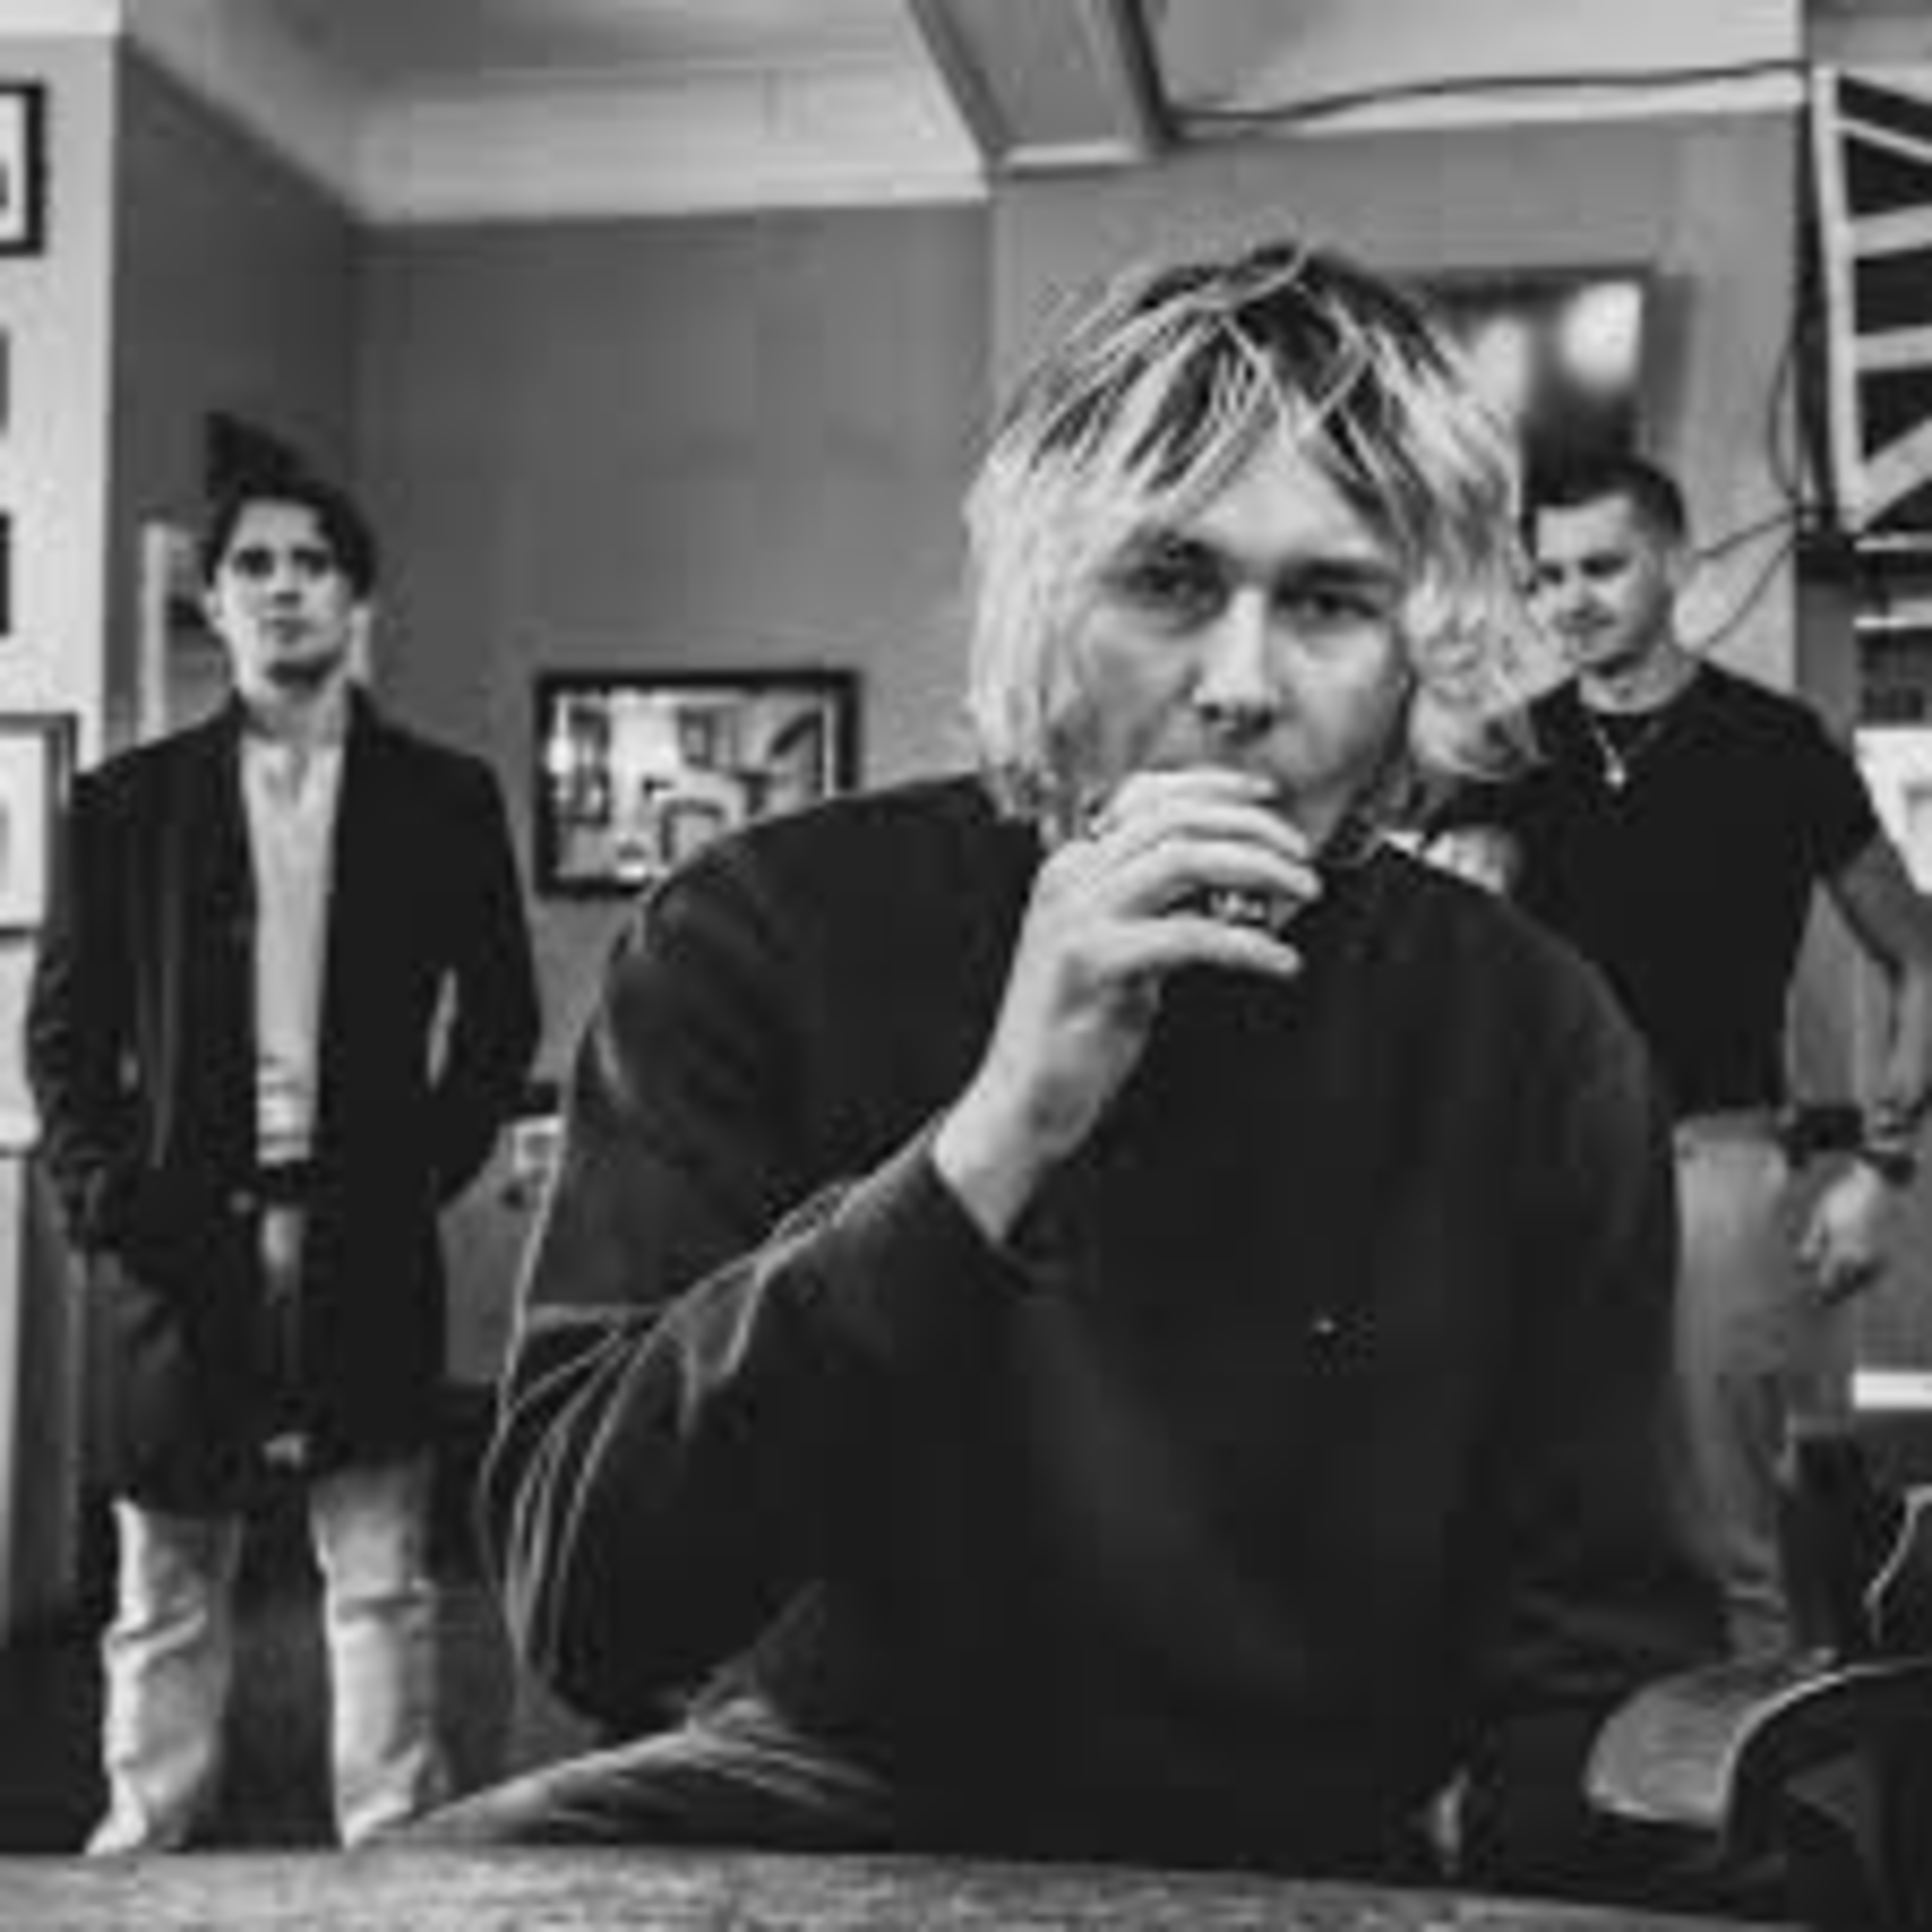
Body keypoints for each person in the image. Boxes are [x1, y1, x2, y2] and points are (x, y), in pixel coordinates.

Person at [418, 239, 1721, 1900]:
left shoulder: (1536, 1035)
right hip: (832, 1781)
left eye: (1330, 603)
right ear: (1050, 605)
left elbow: (1593, 1649)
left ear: (1420, 650)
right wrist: (1000, 1132)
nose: (1239, 687)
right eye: (1169, 583)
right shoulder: (762, 928)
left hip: (1310, 1835)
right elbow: (588, 1605)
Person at [26, 473, 541, 1852]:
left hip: (363, 1226)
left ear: (356, 595)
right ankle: (143, 1852)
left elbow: (502, 1017)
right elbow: (63, 1036)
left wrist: (425, 1165)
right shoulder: (124, 804)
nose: (284, 585)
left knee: (379, 1580)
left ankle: (392, 1846)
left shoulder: (443, 797)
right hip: (173, 1238)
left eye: (313, 561)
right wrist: (101, 1197)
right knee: (166, 1588)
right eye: (253, 564)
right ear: (215, 598)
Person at [1439, 452, 1932, 1659]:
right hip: (1536, 1173)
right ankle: (1581, 1768)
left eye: (1602, 568)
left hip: (1711, 1166)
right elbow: (1445, 979)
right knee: (1532, 1517)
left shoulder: (1773, 745)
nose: (1570, 600)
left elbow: (1924, 958)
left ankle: (1745, 1776)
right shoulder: (1505, 753)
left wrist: (1884, 1172)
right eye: (1548, 576)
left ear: (1677, 565)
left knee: (1726, 1540)